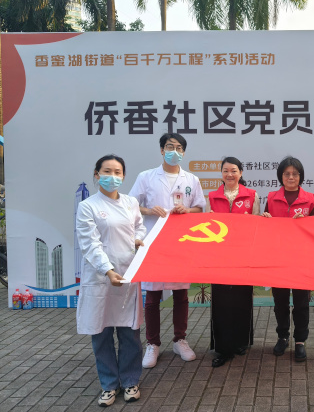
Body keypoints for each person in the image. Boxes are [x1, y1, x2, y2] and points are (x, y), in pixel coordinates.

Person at [129, 133, 206, 368]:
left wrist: (187, 210)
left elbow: (200, 208)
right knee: (153, 296)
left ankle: (180, 340)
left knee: (181, 294)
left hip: (181, 243)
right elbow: (131, 205)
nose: (175, 151)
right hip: (154, 241)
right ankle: (152, 343)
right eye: (170, 147)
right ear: (162, 150)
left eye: (179, 148)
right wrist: (149, 210)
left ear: (184, 152)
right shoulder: (146, 177)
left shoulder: (191, 179)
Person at [76, 154, 146, 407]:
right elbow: (90, 243)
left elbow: (139, 227)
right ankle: (108, 384)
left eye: (117, 172)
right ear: (97, 174)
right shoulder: (88, 206)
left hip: (127, 275)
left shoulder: (130, 202)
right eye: (107, 171)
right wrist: (108, 270)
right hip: (100, 277)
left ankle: (130, 381)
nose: (112, 176)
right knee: (101, 333)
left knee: (130, 333)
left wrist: (138, 239)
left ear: (123, 176)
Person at [262, 156, 314, 362]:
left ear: (300, 176)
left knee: (302, 303)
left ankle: (300, 340)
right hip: (278, 259)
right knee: (280, 302)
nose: (291, 177)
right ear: (281, 176)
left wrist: (308, 223)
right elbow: (264, 227)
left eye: (295, 173)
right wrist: (265, 220)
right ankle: (282, 336)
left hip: (302, 259)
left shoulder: (311, 199)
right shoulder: (271, 198)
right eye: (287, 174)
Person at [207, 156, 260, 368]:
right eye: (226, 171)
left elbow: (256, 225)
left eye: (234, 170)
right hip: (219, 258)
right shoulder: (212, 197)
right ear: (221, 174)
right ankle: (222, 348)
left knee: (242, 299)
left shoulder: (252, 195)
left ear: (241, 173)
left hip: (243, 257)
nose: (230, 174)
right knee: (221, 302)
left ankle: (241, 342)